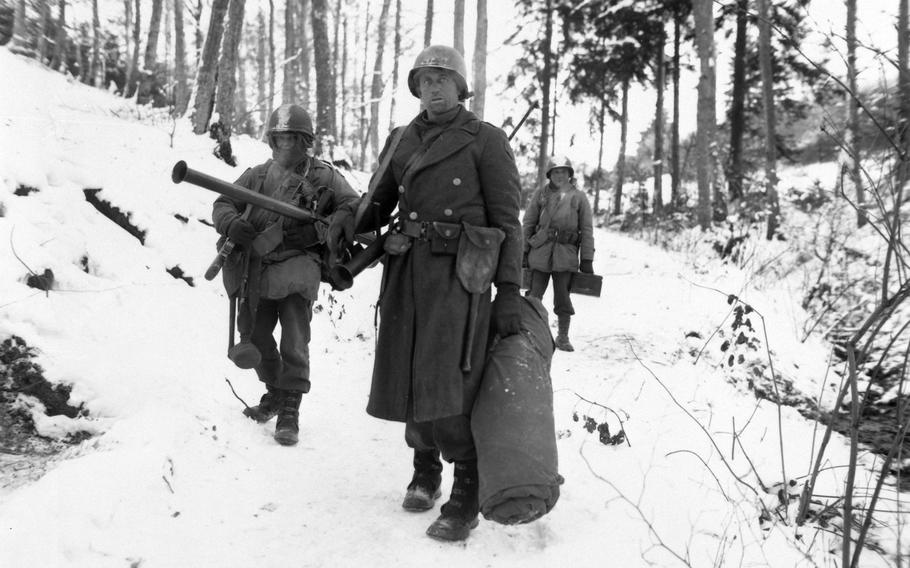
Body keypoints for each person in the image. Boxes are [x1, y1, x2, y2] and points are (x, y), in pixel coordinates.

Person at [327, 45, 524, 542]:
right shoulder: (401, 140)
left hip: (462, 277)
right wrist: (342, 218)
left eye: (443, 78)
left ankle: (467, 487)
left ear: (461, 87)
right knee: (408, 370)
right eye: (424, 80)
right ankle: (425, 468)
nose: (433, 87)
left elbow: (507, 222)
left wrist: (510, 292)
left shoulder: (486, 140)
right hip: (406, 270)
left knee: (451, 376)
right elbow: (376, 206)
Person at [212, 103, 358, 446]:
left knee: (294, 339)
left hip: (299, 265)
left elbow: (353, 205)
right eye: (280, 139)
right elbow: (223, 203)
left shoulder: (325, 177)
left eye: (294, 139)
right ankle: (276, 391)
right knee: (256, 337)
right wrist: (232, 223)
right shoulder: (257, 175)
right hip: (257, 267)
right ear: (271, 141)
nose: (287, 146)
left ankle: (290, 406)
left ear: (306, 141)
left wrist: (336, 220)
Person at [521, 156, 595, 352]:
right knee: (534, 296)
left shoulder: (579, 197)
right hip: (540, 252)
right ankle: (529, 334)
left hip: (565, 255)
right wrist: (523, 251)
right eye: (555, 172)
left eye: (563, 172)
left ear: (570, 175)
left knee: (563, 298)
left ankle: (562, 337)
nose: (559, 175)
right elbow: (528, 223)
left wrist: (587, 259)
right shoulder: (540, 195)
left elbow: (587, 230)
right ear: (549, 175)